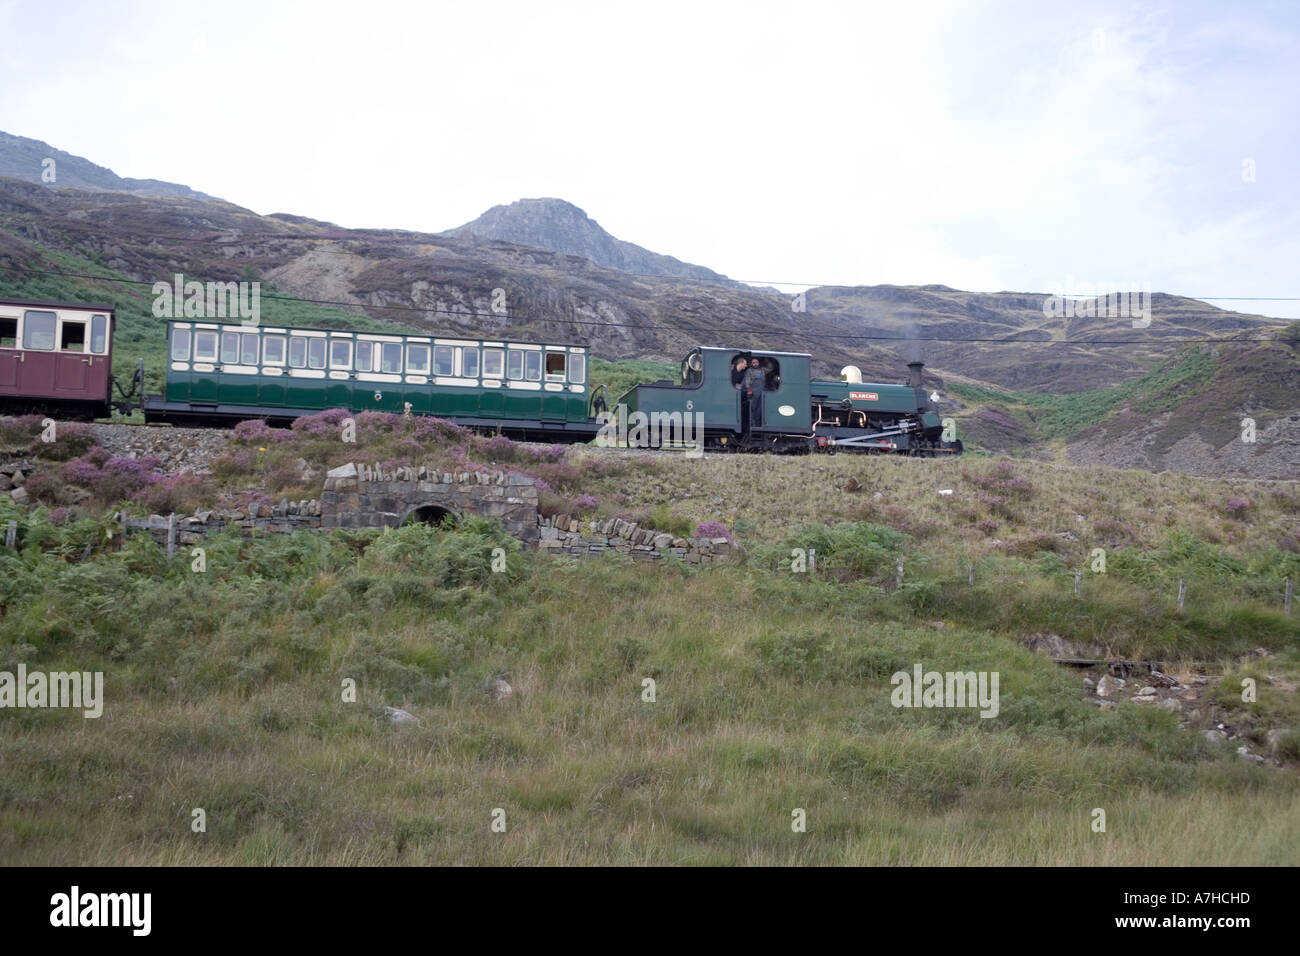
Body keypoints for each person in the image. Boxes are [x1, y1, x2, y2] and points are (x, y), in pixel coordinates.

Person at [743, 356, 766, 429]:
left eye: (756, 362)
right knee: (752, 410)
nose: (755, 364)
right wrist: (749, 392)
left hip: (761, 393)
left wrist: (766, 360)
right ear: (751, 364)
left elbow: (771, 369)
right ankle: (752, 425)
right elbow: (747, 382)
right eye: (753, 363)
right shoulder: (749, 371)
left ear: (758, 363)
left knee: (759, 410)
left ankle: (758, 424)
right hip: (753, 393)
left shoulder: (763, 370)